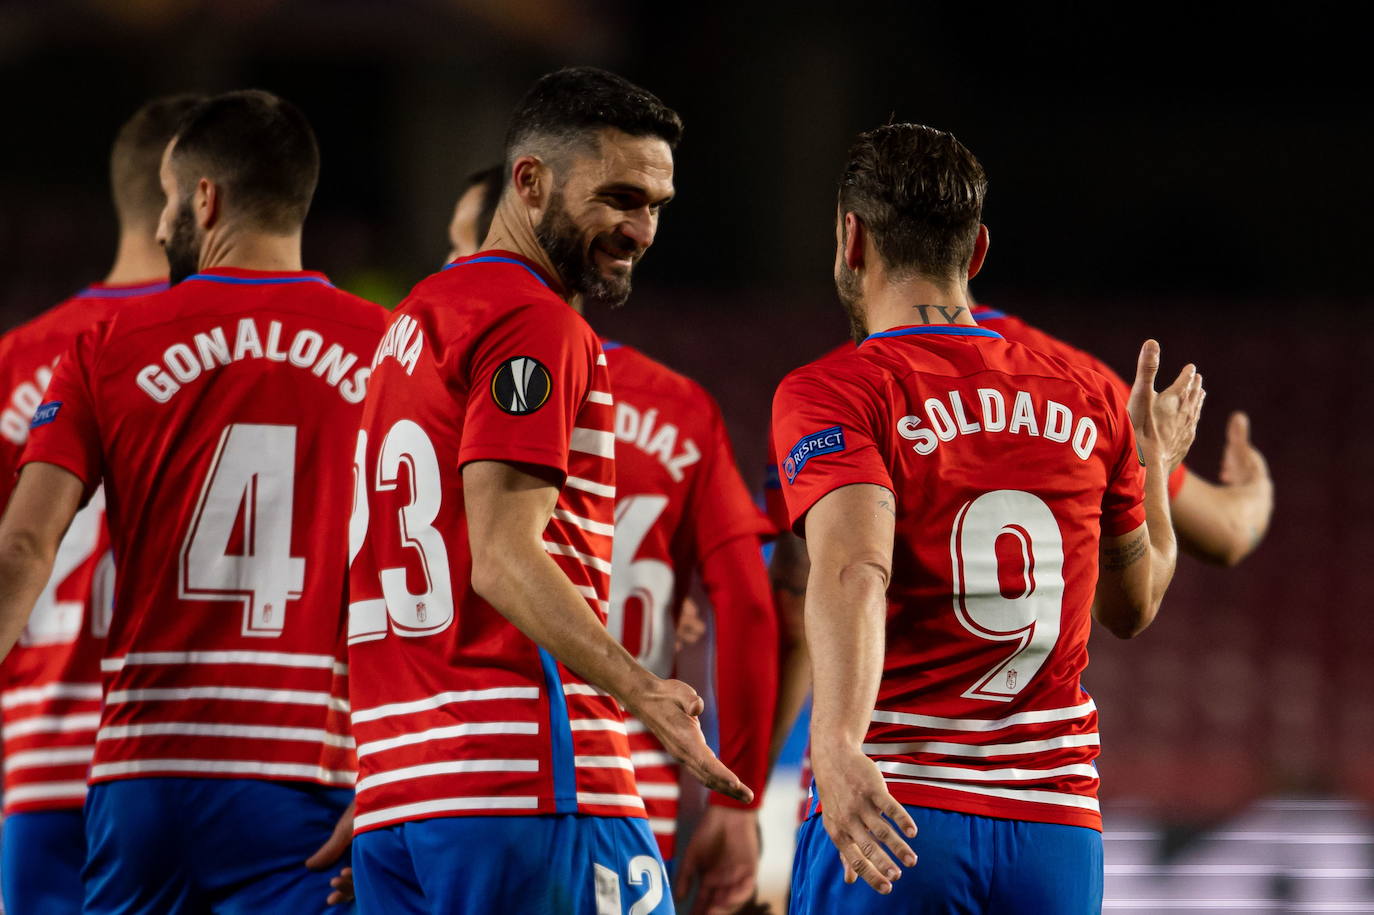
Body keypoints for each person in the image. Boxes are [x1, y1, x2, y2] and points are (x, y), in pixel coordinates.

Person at [346, 67, 749, 915]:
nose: (642, 230)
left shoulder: (407, 326)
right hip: (532, 783)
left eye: (657, 205)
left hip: (403, 791)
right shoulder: (534, 321)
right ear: (529, 181)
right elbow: (501, 557)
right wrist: (644, 689)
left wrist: (396, 774)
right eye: (619, 198)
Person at [775, 124, 1203, 913]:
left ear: (850, 239)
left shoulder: (839, 390)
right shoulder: (1091, 394)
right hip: (1055, 832)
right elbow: (1133, 606)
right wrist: (1155, 464)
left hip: (900, 814)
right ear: (976, 253)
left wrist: (834, 741)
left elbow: (856, 568)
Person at [0, 89, 387, 913]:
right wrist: (400, 778)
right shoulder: (388, 351)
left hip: (147, 771)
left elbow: (25, 546)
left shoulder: (106, 344)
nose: (161, 225)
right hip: (307, 771)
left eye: (170, 201)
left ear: (204, 199)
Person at [448, 165, 779, 913]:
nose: (453, 266)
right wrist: (740, 799)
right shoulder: (680, 407)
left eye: (461, 246)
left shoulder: (445, 388)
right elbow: (753, 607)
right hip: (635, 782)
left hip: (482, 764)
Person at [0, 92, 202, 915]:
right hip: (205, 758)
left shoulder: (14, 361)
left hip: (40, 759)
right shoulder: (245, 350)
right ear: (202, 191)